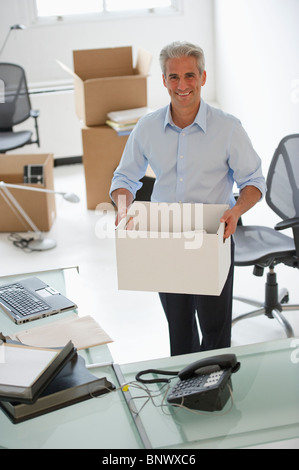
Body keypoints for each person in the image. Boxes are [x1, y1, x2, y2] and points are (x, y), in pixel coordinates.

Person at [110, 41, 266, 356]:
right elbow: (124, 178)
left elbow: (254, 181)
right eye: (174, 77)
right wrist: (125, 208)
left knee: (214, 332)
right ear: (164, 81)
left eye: (190, 76)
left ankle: (216, 389)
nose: (182, 86)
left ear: (203, 77)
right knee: (179, 331)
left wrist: (236, 210)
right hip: (166, 239)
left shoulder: (228, 128)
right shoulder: (148, 127)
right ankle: (185, 393)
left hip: (213, 237)